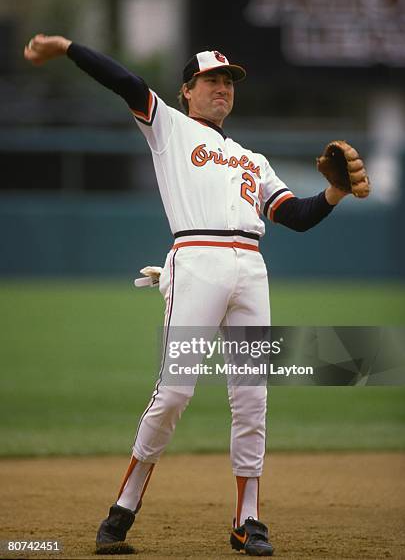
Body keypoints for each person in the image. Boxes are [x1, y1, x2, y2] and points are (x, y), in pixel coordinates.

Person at [24, 34, 353, 557]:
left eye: (228, 82)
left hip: (251, 269)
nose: (222, 88)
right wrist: (68, 47)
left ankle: (248, 521)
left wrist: (334, 192)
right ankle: (123, 509)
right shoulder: (168, 128)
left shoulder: (253, 160)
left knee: (253, 398)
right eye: (211, 80)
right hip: (196, 260)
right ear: (187, 91)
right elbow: (126, 82)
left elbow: (297, 216)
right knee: (175, 392)